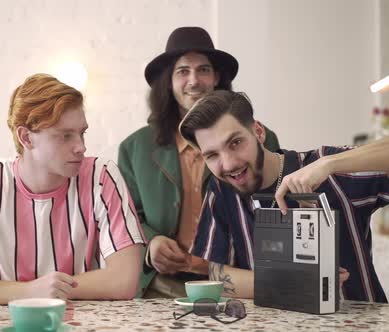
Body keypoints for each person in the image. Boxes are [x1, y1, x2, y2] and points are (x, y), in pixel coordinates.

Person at [179, 90, 389, 302]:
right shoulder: (221, 189)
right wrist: (290, 279)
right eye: (211, 155)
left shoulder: (327, 169)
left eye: (235, 142)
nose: (228, 163)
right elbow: (218, 273)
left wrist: (329, 164)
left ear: (258, 132)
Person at [0, 74, 146, 305]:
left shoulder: (101, 176)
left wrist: (48, 290)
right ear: (26, 137)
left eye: (82, 133)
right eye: (65, 136)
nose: (81, 147)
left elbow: (125, 280)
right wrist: (27, 292)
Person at [118, 27, 280, 298]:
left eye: (203, 70)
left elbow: (275, 207)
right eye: (182, 71)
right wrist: (152, 243)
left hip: (237, 283)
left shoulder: (257, 137)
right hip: (160, 286)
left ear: (216, 77)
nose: (194, 81)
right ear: (168, 82)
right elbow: (125, 217)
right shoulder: (134, 148)